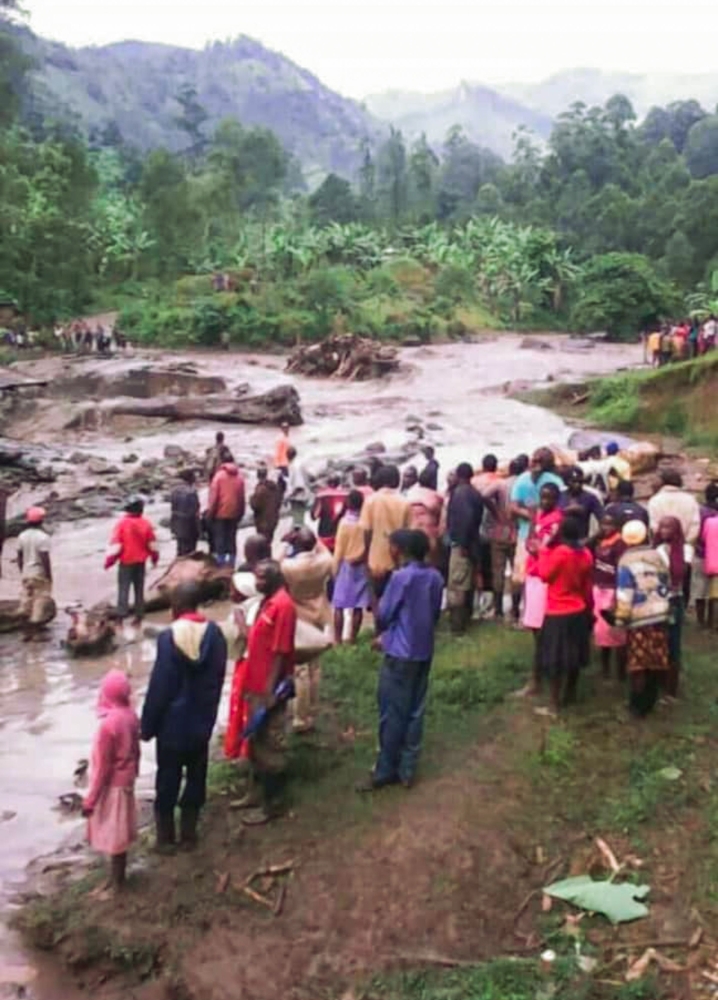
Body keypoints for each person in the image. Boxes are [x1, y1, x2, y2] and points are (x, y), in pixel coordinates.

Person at [141, 582, 227, 849]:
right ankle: (189, 834)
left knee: (167, 778)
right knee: (196, 776)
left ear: (175, 608)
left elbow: (160, 687)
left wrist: (147, 726)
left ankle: (165, 839)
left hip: (171, 726)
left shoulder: (168, 639)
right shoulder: (215, 635)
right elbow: (218, 678)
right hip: (202, 721)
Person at [357, 530, 443, 792]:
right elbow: (432, 614)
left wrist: (372, 588)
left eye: (392, 546)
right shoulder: (435, 577)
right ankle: (407, 768)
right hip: (423, 650)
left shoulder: (401, 578)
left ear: (401, 549)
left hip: (399, 653)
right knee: (415, 709)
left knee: (391, 711)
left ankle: (385, 770)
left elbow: (383, 616)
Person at [239, 560, 297, 824]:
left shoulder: (283, 606)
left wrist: (269, 690)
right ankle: (254, 793)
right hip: (254, 683)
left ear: (275, 578)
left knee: (270, 745)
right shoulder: (267, 602)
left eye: (261, 577)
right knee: (254, 740)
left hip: (267, 687)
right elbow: (259, 639)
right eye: (255, 577)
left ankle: (272, 805)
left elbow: (280, 650)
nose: (256, 582)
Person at [82, 670, 140, 891]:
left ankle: (116, 884)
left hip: (112, 786)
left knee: (113, 834)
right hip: (126, 783)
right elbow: (136, 751)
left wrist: (90, 801)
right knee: (120, 832)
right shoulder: (131, 716)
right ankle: (117, 878)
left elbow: (102, 769)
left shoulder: (107, 727)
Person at [614, 520, 671, 718]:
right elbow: (666, 583)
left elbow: (625, 593)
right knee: (655, 660)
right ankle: (650, 701)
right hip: (660, 615)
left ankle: (636, 707)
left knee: (638, 663)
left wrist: (620, 619)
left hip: (639, 619)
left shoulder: (625, 561)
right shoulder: (657, 556)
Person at [537, 518, 593, 714]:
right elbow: (587, 585)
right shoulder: (585, 554)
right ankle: (571, 694)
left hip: (557, 611)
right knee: (574, 656)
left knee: (555, 660)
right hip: (578, 609)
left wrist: (543, 549)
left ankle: (553, 704)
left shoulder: (561, 553)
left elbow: (544, 574)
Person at [281, 528, 333, 733]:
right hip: (319, 611)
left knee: (299, 669)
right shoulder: (323, 562)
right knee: (315, 665)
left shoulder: (290, 567)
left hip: (298, 615)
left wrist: (285, 543)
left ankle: (301, 717)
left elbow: (274, 564)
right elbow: (325, 552)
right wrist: (315, 539)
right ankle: (312, 708)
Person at [510, 448, 564, 623]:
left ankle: (538, 612)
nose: (537, 464)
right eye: (535, 460)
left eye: (541, 461)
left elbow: (561, 508)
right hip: (527, 534)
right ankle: (517, 612)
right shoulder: (523, 480)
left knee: (542, 576)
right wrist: (533, 516)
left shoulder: (554, 481)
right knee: (521, 575)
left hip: (548, 536)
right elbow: (513, 506)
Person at [523, 483, 563, 689]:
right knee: (535, 627)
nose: (544, 502)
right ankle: (542, 672)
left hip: (542, 574)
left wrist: (531, 520)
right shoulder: (542, 516)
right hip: (534, 572)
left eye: (549, 498)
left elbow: (538, 547)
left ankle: (537, 678)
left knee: (540, 629)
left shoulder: (555, 520)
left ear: (556, 499)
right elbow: (530, 543)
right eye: (542, 497)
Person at [360, 464, 411, 602]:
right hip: (398, 560)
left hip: (376, 559)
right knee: (396, 599)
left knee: (377, 598)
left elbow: (366, 532)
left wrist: (365, 556)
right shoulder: (405, 502)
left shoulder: (371, 501)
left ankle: (379, 622)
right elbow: (408, 533)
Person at [647, 468, 700, 601]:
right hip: (685, 548)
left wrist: (661, 542)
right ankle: (682, 607)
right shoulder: (690, 500)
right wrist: (685, 542)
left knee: (662, 580)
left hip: (661, 548)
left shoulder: (655, 500)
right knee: (684, 580)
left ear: (663, 482)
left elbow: (654, 527)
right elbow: (695, 525)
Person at [105, 497, 158, 623]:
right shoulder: (146, 524)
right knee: (139, 588)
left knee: (124, 588)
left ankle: (121, 615)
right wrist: (154, 558)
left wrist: (109, 561)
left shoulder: (122, 524)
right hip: (141, 561)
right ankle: (139, 614)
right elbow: (152, 545)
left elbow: (117, 546)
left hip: (126, 561)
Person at [446, 462, 484, 634]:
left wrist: (462, 543)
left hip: (462, 545)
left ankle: (457, 627)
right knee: (466, 582)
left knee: (457, 584)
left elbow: (466, 518)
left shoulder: (461, 494)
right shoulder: (474, 493)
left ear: (460, 475)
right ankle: (465, 621)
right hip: (473, 542)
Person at [588, 513, 627, 680]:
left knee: (616, 632)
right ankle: (605, 670)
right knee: (601, 631)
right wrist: (595, 536)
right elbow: (584, 546)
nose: (605, 528)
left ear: (617, 527)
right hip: (598, 588)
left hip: (612, 590)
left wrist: (618, 596)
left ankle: (620, 673)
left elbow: (621, 570)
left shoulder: (619, 544)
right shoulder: (600, 541)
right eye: (603, 524)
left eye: (609, 524)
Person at [332, 490, 371, 644]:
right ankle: (353, 639)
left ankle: (337, 639)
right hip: (362, 566)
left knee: (339, 605)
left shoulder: (344, 522)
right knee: (358, 606)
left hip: (345, 566)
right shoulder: (366, 523)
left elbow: (339, 548)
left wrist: (334, 569)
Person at [655, 516, 686, 699]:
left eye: (669, 527)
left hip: (674, 601)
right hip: (658, 601)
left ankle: (671, 689)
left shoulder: (685, 550)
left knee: (673, 642)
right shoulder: (656, 550)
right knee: (659, 641)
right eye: (662, 526)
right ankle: (658, 682)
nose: (664, 530)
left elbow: (681, 575)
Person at [16, 506, 53, 642]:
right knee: (39, 604)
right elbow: (45, 559)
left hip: (27, 573)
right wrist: (49, 576)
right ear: (41, 521)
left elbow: (19, 557)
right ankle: (36, 635)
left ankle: (26, 633)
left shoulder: (22, 536)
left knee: (26, 603)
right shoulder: (43, 538)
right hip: (39, 574)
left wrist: (22, 571)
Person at [208, 447, 246, 566]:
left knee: (220, 538)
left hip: (220, 513)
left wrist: (210, 513)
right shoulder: (240, 477)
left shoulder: (218, 477)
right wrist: (241, 513)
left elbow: (214, 498)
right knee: (232, 537)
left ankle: (221, 562)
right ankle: (232, 562)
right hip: (234, 512)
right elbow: (242, 497)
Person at [692, 482, 718, 627]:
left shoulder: (699, 512)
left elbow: (697, 534)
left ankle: (701, 621)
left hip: (701, 554)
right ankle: (712, 621)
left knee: (699, 590)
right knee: (715, 592)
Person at [406, 467, 444, 567]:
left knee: (413, 559)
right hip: (429, 532)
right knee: (430, 562)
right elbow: (441, 513)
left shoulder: (410, 493)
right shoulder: (437, 496)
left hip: (412, 530)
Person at [559, 467, 603, 540]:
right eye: (573, 482)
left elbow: (603, 521)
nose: (577, 485)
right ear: (566, 482)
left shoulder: (590, 498)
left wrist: (589, 540)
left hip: (581, 541)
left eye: (580, 481)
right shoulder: (559, 496)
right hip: (560, 542)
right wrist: (565, 511)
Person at [311, 474, 347, 553]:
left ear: (328, 483)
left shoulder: (321, 495)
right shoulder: (346, 494)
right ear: (339, 483)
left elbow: (314, 516)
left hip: (325, 533)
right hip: (341, 532)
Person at [169, 469, 200, 557]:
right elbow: (195, 510)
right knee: (190, 551)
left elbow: (173, 507)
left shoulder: (174, 491)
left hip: (177, 522)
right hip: (190, 524)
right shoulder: (192, 492)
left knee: (180, 549)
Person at [250, 464, 282, 544]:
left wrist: (251, 498)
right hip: (273, 520)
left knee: (262, 543)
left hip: (262, 522)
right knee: (269, 541)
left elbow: (255, 505)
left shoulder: (260, 489)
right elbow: (279, 502)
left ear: (258, 476)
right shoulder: (274, 487)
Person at [703, 492, 718, 629]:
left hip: (712, 562)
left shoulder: (710, 522)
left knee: (712, 595)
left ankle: (711, 623)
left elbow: (703, 538)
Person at [285, 447, 310, 528]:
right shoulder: (300, 464)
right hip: (302, 495)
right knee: (300, 519)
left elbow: (299, 486)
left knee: (298, 521)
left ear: (288, 456)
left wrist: (288, 497)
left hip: (297, 497)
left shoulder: (294, 466)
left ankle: (299, 535)